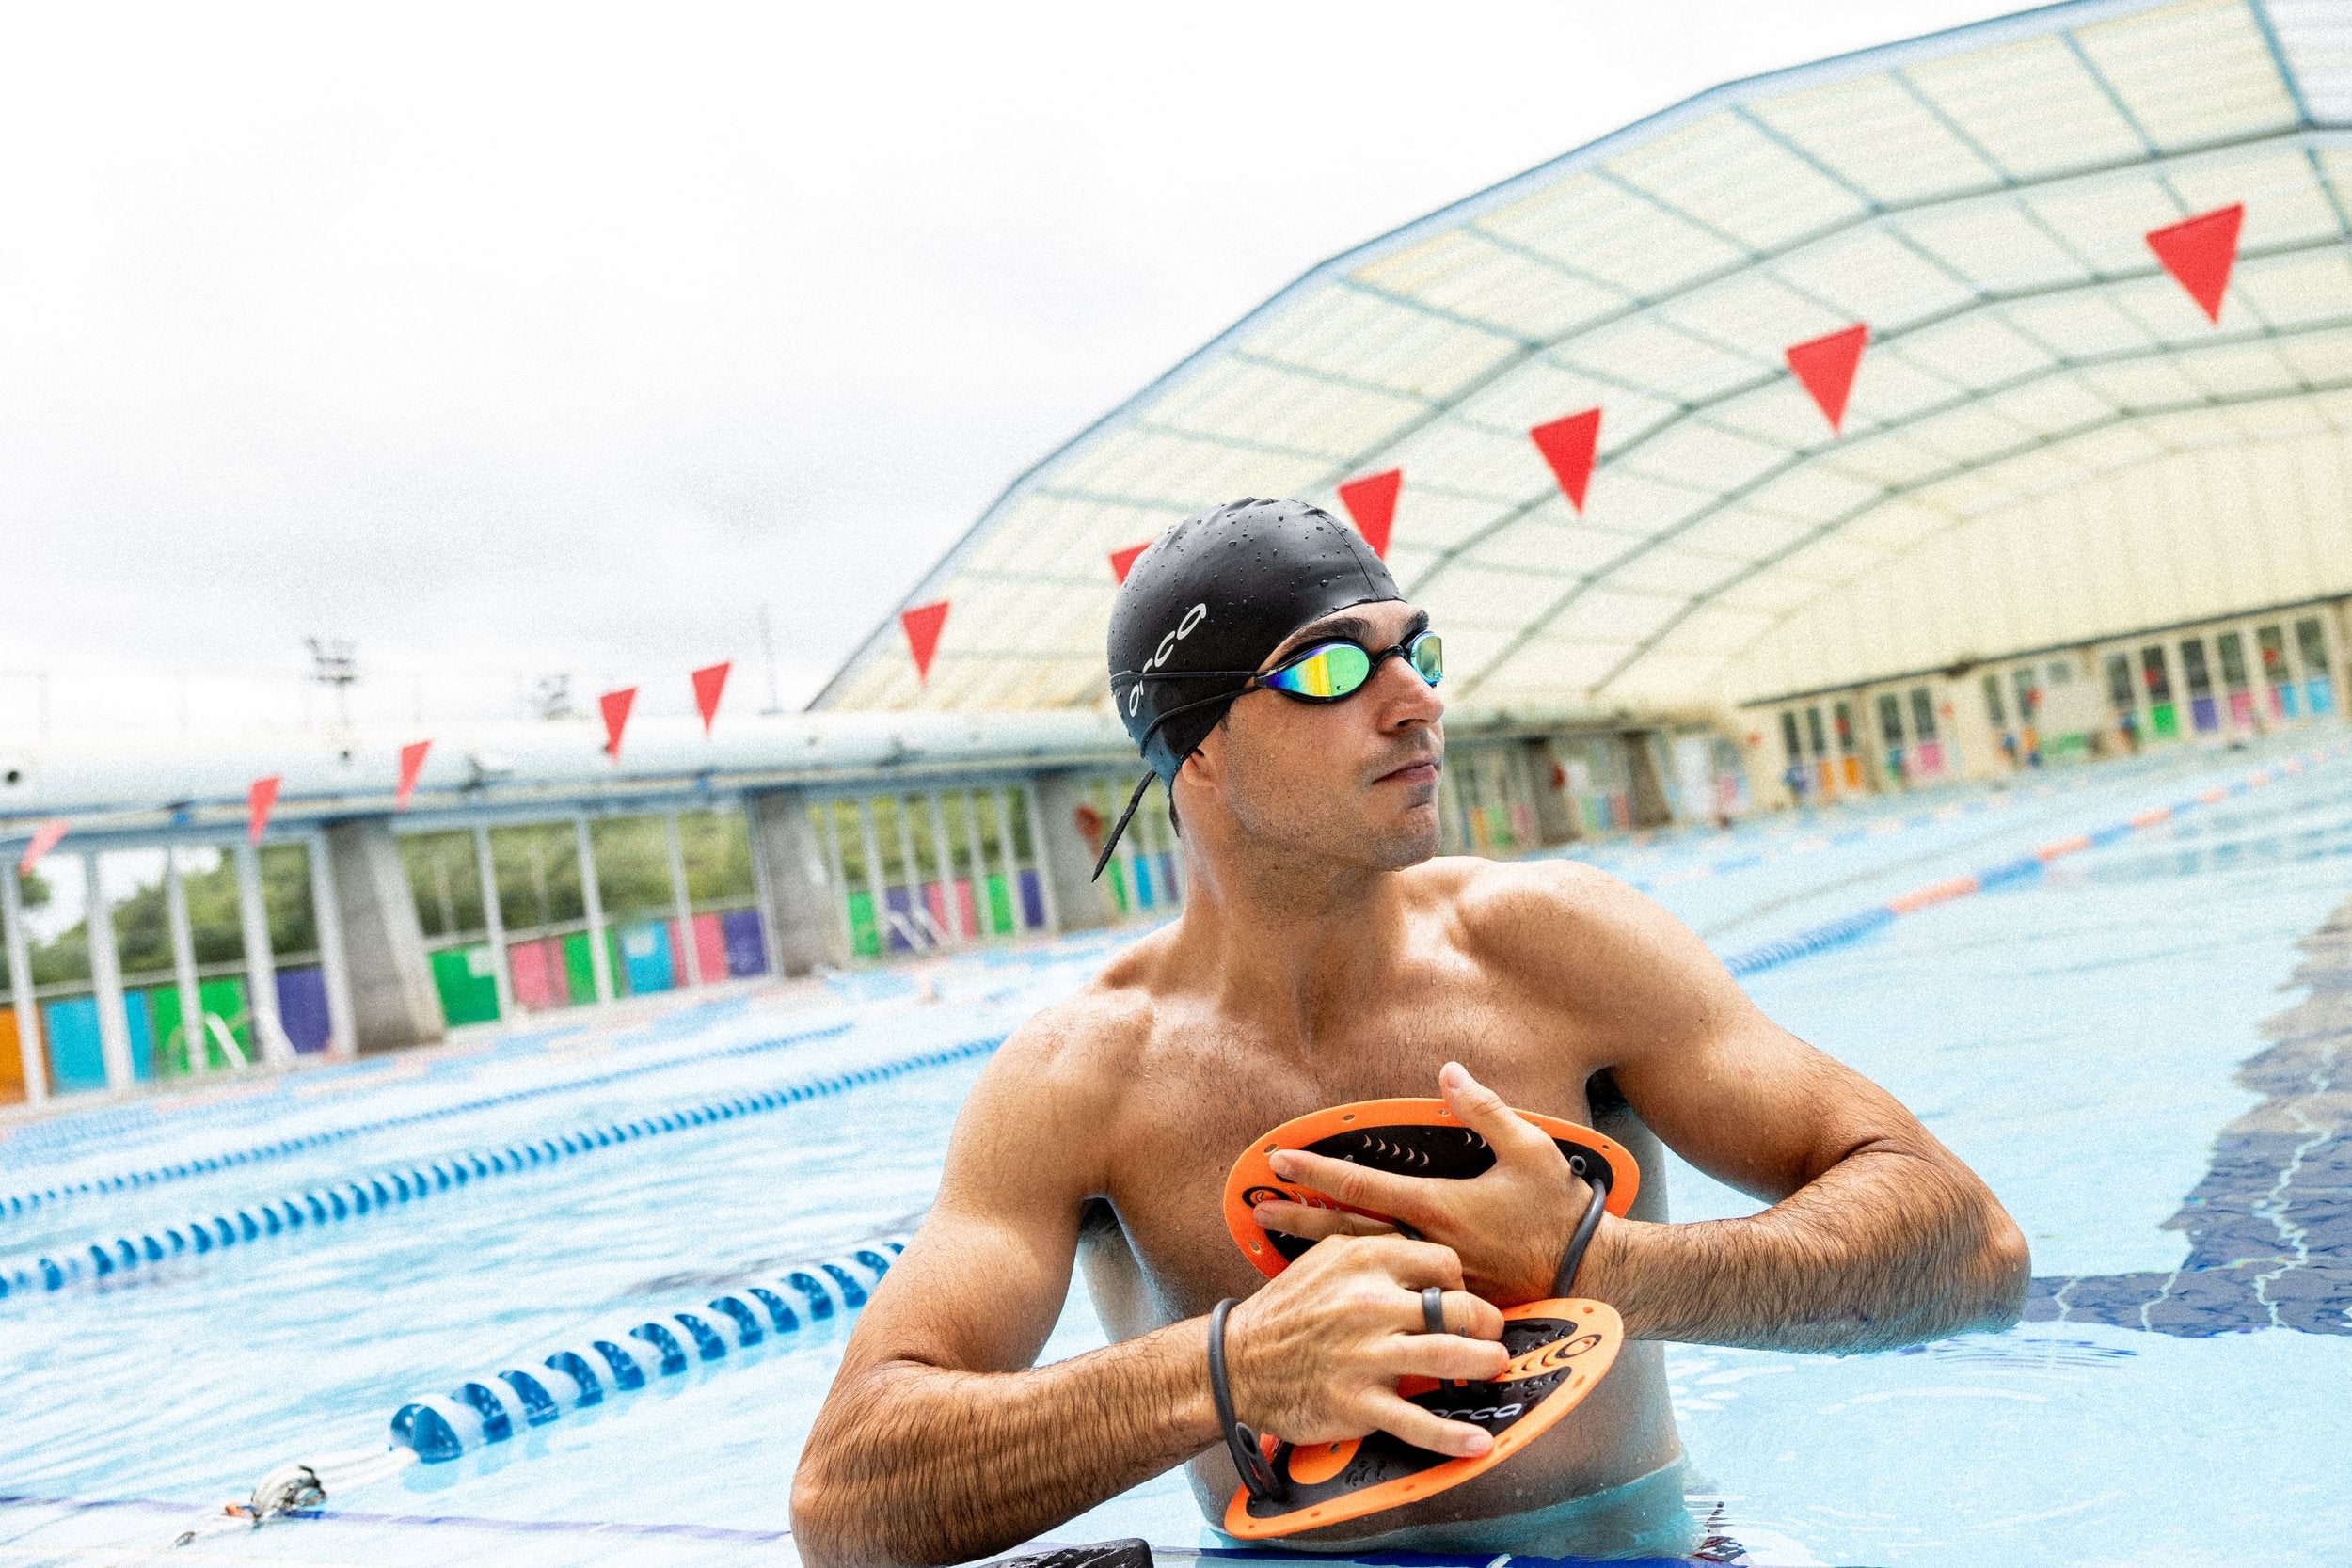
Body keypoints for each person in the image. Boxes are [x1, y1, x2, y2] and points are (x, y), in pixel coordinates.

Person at [791, 498, 2028, 1566]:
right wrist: (1229, 1372)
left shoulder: (1559, 950)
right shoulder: (1082, 1081)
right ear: (1198, 747)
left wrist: (1605, 1268)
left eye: (1414, 650)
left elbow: (1976, 1250)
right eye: (1333, 665)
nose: (1416, 701)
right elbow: (843, 1504)